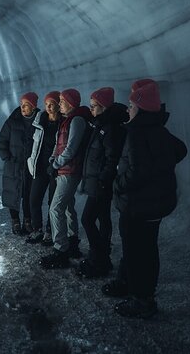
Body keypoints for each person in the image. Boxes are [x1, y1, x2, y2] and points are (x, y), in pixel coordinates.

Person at [103, 80, 187, 319]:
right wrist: (161, 169)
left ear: (139, 109)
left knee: (140, 252)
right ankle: (131, 285)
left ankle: (142, 300)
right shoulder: (158, 130)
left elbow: (137, 171)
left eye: (131, 106)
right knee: (143, 249)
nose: (128, 110)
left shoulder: (138, 133)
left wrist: (117, 184)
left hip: (140, 204)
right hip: (153, 203)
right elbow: (180, 150)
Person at [76, 87, 128, 278]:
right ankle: (102, 258)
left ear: (104, 106)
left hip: (100, 183)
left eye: (94, 106)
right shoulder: (101, 125)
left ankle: (98, 258)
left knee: (87, 219)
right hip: (98, 181)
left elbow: (111, 158)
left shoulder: (109, 128)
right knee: (103, 218)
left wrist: (102, 180)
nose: (91, 110)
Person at [40, 89, 92, 269]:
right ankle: (72, 242)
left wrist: (55, 164)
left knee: (55, 209)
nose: (59, 103)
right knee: (68, 207)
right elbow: (58, 145)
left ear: (70, 103)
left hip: (69, 171)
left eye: (62, 101)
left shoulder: (76, 121)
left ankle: (60, 250)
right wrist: (52, 160)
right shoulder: (67, 121)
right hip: (63, 169)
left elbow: (71, 149)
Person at [0, 92, 40, 235]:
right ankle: (15, 221)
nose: (23, 107)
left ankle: (28, 221)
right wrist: (7, 158)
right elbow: (2, 141)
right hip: (13, 165)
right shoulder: (12, 121)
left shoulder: (40, 121)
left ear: (33, 107)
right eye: (22, 104)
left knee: (28, 194)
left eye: (26, 105)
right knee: (13, 192)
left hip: (30, 166)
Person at [26, 91, 63, 244]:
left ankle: (49, 231)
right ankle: (37, 230)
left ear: (58, 105)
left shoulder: (64, 123)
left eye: (51, 103)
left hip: (55, 168)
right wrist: (30, 160)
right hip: (40, 166)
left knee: (52, 202)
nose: (48, 107)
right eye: (46, 104)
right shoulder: (40, 121)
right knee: (34, 199)